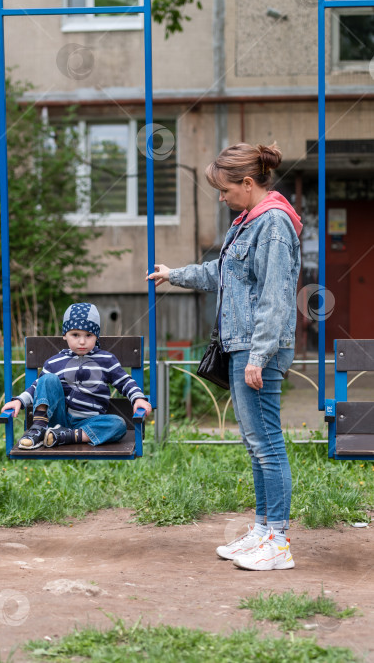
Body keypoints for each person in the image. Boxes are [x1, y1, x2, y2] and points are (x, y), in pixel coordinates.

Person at [148, 142, 302, 571]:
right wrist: (173, 274)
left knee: (267, 445)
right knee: (256, 445)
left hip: (257, 349)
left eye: (225, 189)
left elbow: (275, 296)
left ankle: (278, 542)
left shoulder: (271, 224)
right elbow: (222, 272)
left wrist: (259, 355)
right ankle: (263, 530)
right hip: (242, 345)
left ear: (248, 183)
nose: (221, 196)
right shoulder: (249, 221)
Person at [2, 302, 152, 450]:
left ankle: (63, 436)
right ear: (65, 335)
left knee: (118, 424)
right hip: (59, 418)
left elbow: (125, 382)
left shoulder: (106, 360)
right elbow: (37, 387)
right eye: (75, 335)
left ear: (97, 336)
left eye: (88, 335)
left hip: (91, 422)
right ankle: (39, 429)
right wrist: (19, 401)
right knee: (47, 379)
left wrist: (138, 398)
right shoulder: (54, 362)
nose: (82, 341)